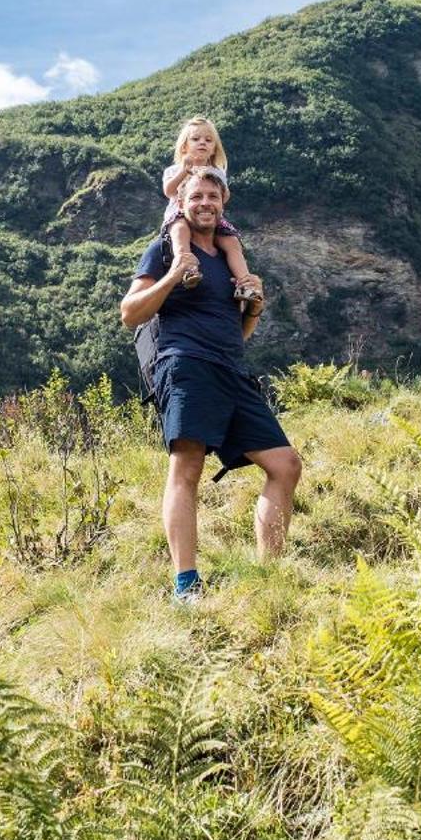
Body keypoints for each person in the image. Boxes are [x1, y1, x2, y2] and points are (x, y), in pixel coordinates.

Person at [120, 166, 301, 602]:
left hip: (231, 371)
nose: (204, 204)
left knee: (286, 465)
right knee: (188, 468)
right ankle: (186, 584)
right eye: (196, 197)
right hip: (185, 366)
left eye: (212, 198)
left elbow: (236, 334)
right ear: (181, 204)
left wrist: (254, 307)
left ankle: (267, 576)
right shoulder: (163, 250)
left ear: (223, 206)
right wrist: (173, 275)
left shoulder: (227, 261)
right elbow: (130, 313)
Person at [161, 116, 258, 303]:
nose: (202, 143)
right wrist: (185, 171)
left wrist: (218, 193)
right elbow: (169, 191)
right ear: (184, 146)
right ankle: (188, 269)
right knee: (180, 234)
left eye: (208, 140)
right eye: (196, 139)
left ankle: (245, 283)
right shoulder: (175, 169)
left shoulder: (217, 172)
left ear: (214, 147)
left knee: (232, 242)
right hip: (180, 215)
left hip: (210, 218)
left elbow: (225, 195)